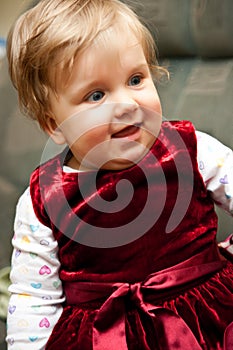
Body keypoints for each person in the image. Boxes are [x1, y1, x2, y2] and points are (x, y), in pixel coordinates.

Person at [5, 0, 233, 349]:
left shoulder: (190, 150)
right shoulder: (44, 200)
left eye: (136, 79)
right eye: (96, 95)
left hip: (207, 316)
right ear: (55, 124)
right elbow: (33, 302)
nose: (127, 104)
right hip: (105, 337)